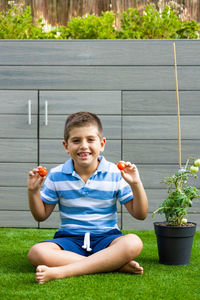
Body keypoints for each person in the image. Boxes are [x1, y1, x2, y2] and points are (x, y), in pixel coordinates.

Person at [27, 111, 148, 284]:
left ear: (102, 144)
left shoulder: (115, 173)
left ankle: (62, 271)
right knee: (37, 252)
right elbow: (41, 215)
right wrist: (33, 192)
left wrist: (136, 183)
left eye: (90, 139)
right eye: (76, 140)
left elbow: (140, 214)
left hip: (107, 238)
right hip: (69, 239)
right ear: (66, 146)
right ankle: (113, 265)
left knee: (133, 242)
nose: (84, 146)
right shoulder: (56, 175)